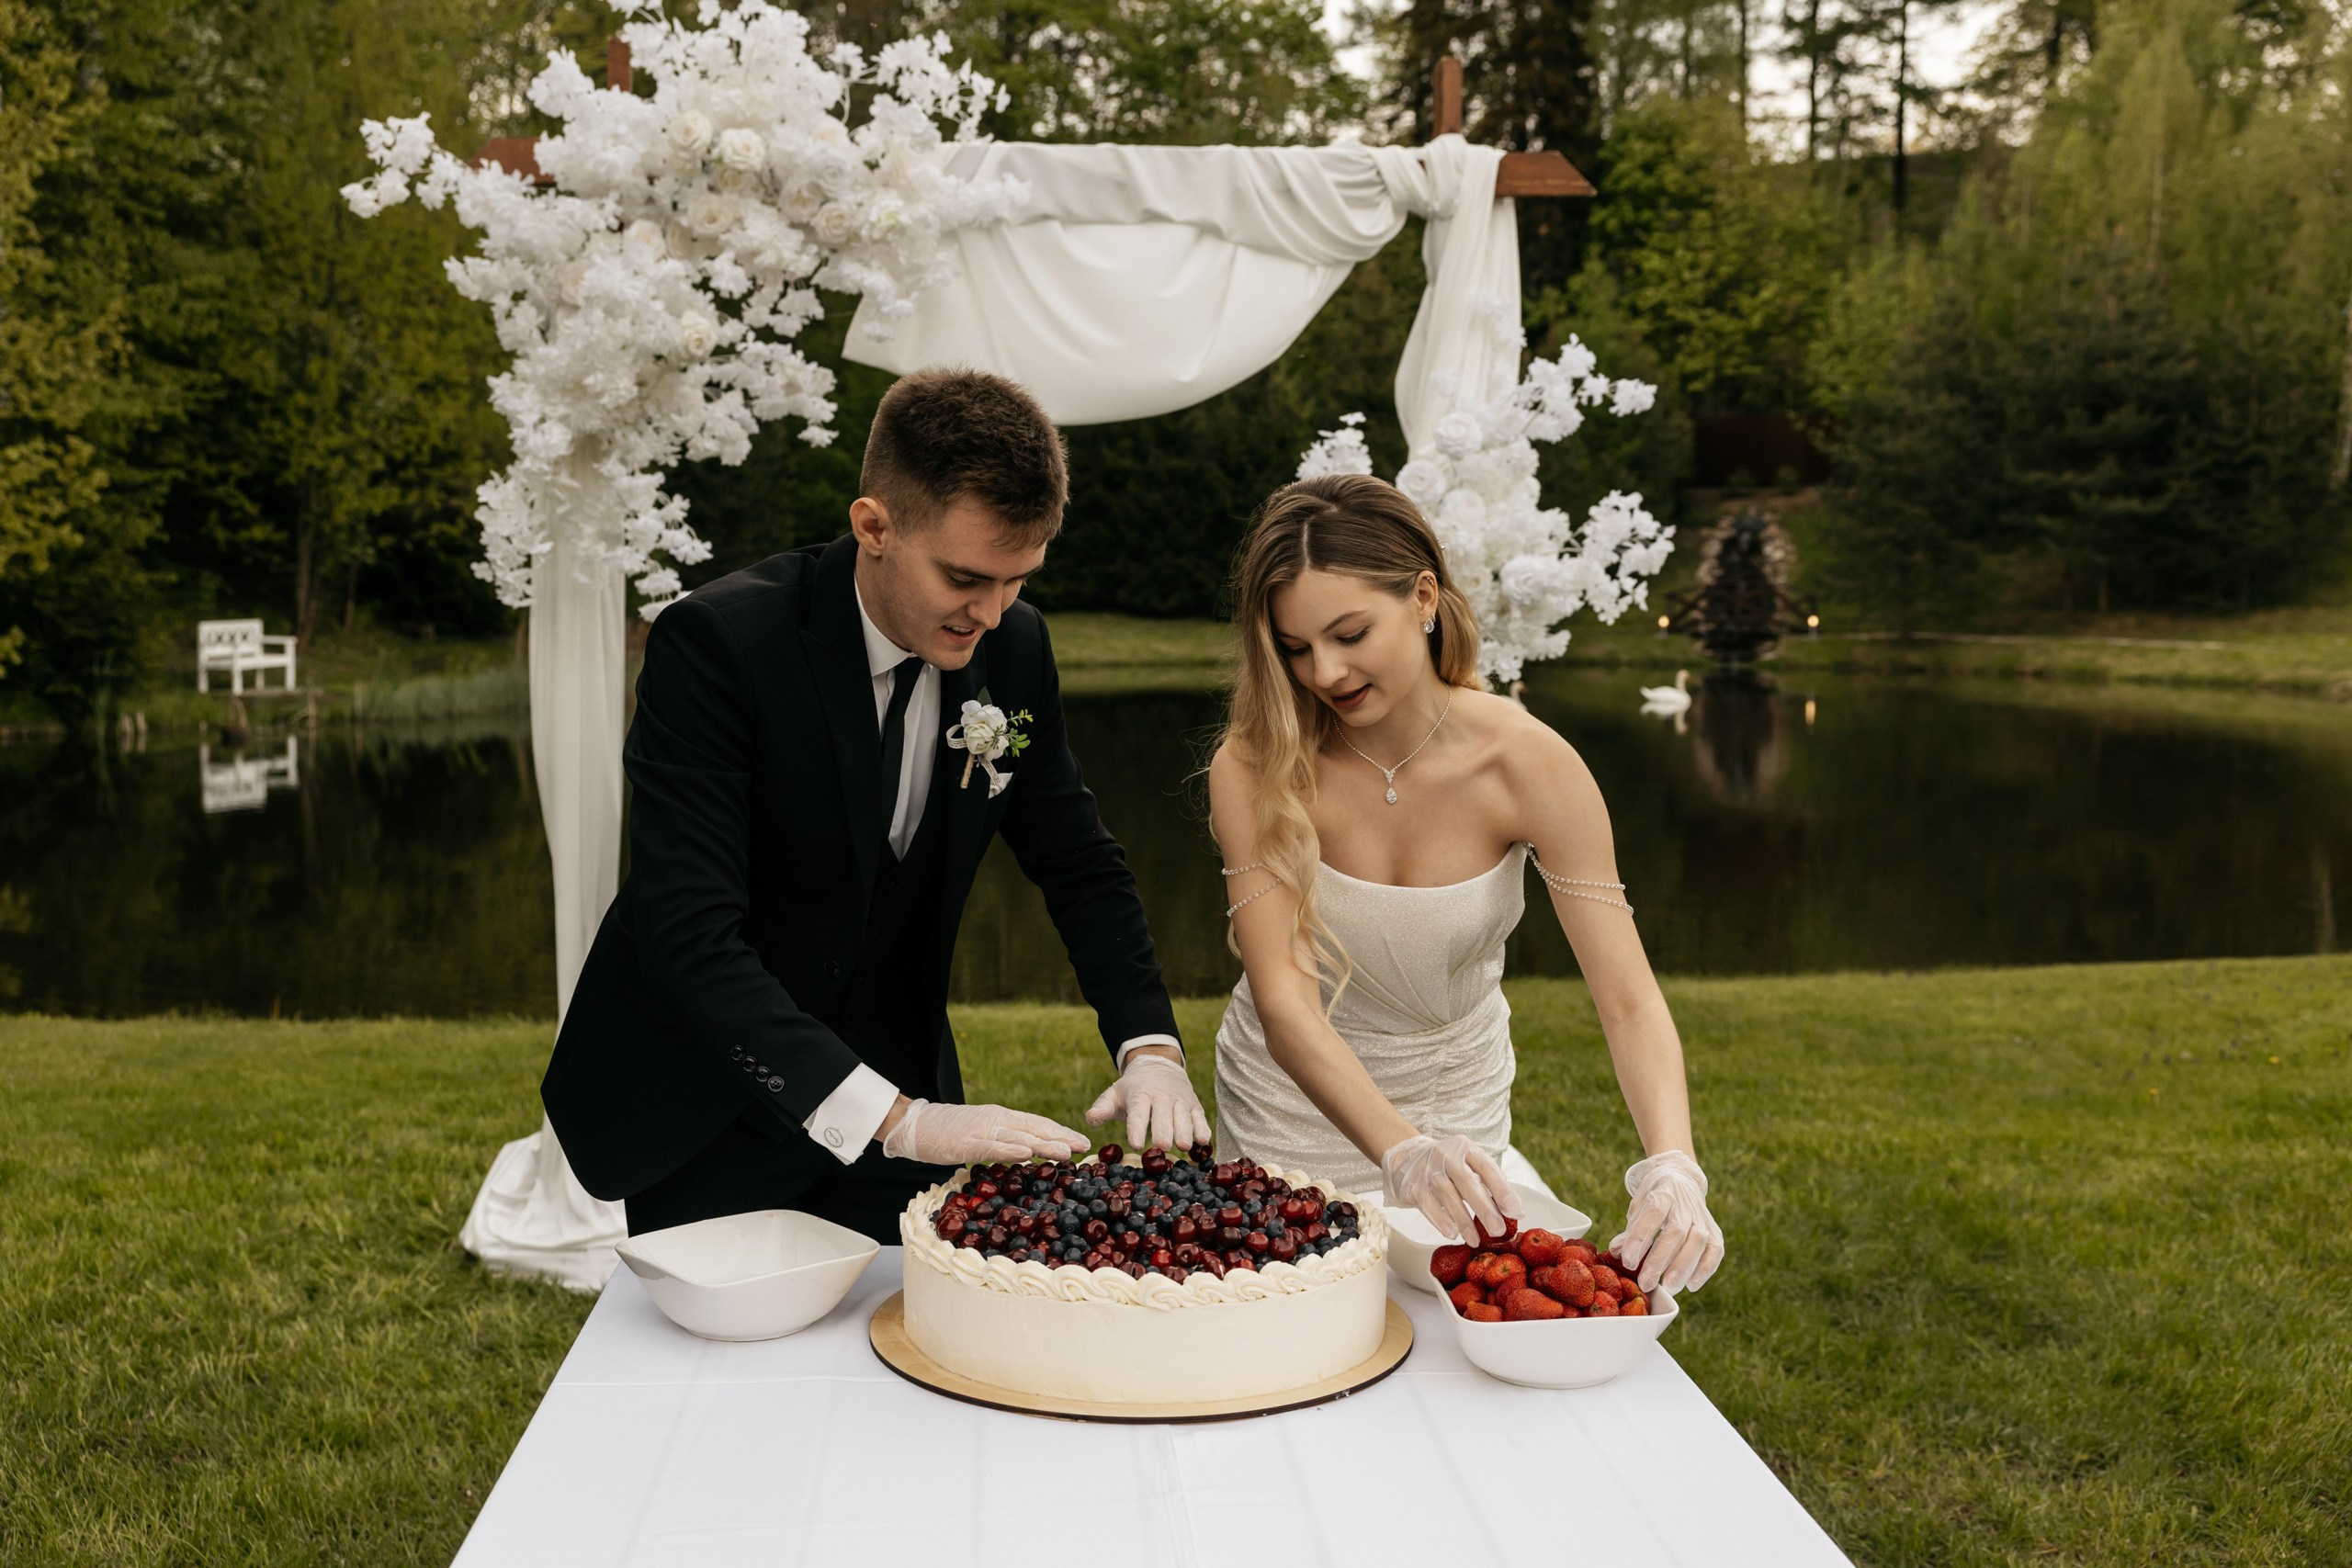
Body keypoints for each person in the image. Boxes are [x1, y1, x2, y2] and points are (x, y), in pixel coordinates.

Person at [543, 369, 1210, 1243]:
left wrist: (1150, 1045)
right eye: (967, 576)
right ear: (874, 526)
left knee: (910, 1356)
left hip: (903, 1084)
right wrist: (898, 1117)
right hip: (712, 1097)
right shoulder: (718, 646)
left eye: (1019, 579)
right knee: (731, 1365)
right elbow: (687, 929)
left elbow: (1079, 864)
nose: (993, 611)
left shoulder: (1014, 647)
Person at [1207, 475, 1724, 1294]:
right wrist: (1400, 1151)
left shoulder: (1530, 763)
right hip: (1290, 1112)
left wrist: (1673, 1163)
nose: (1326, 671)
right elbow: (1285, 1003)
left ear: (1422, 597)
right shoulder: (1251, 765)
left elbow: (1627, 999)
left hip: (1460, 1110)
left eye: (1350, 633)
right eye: (1296, 648)